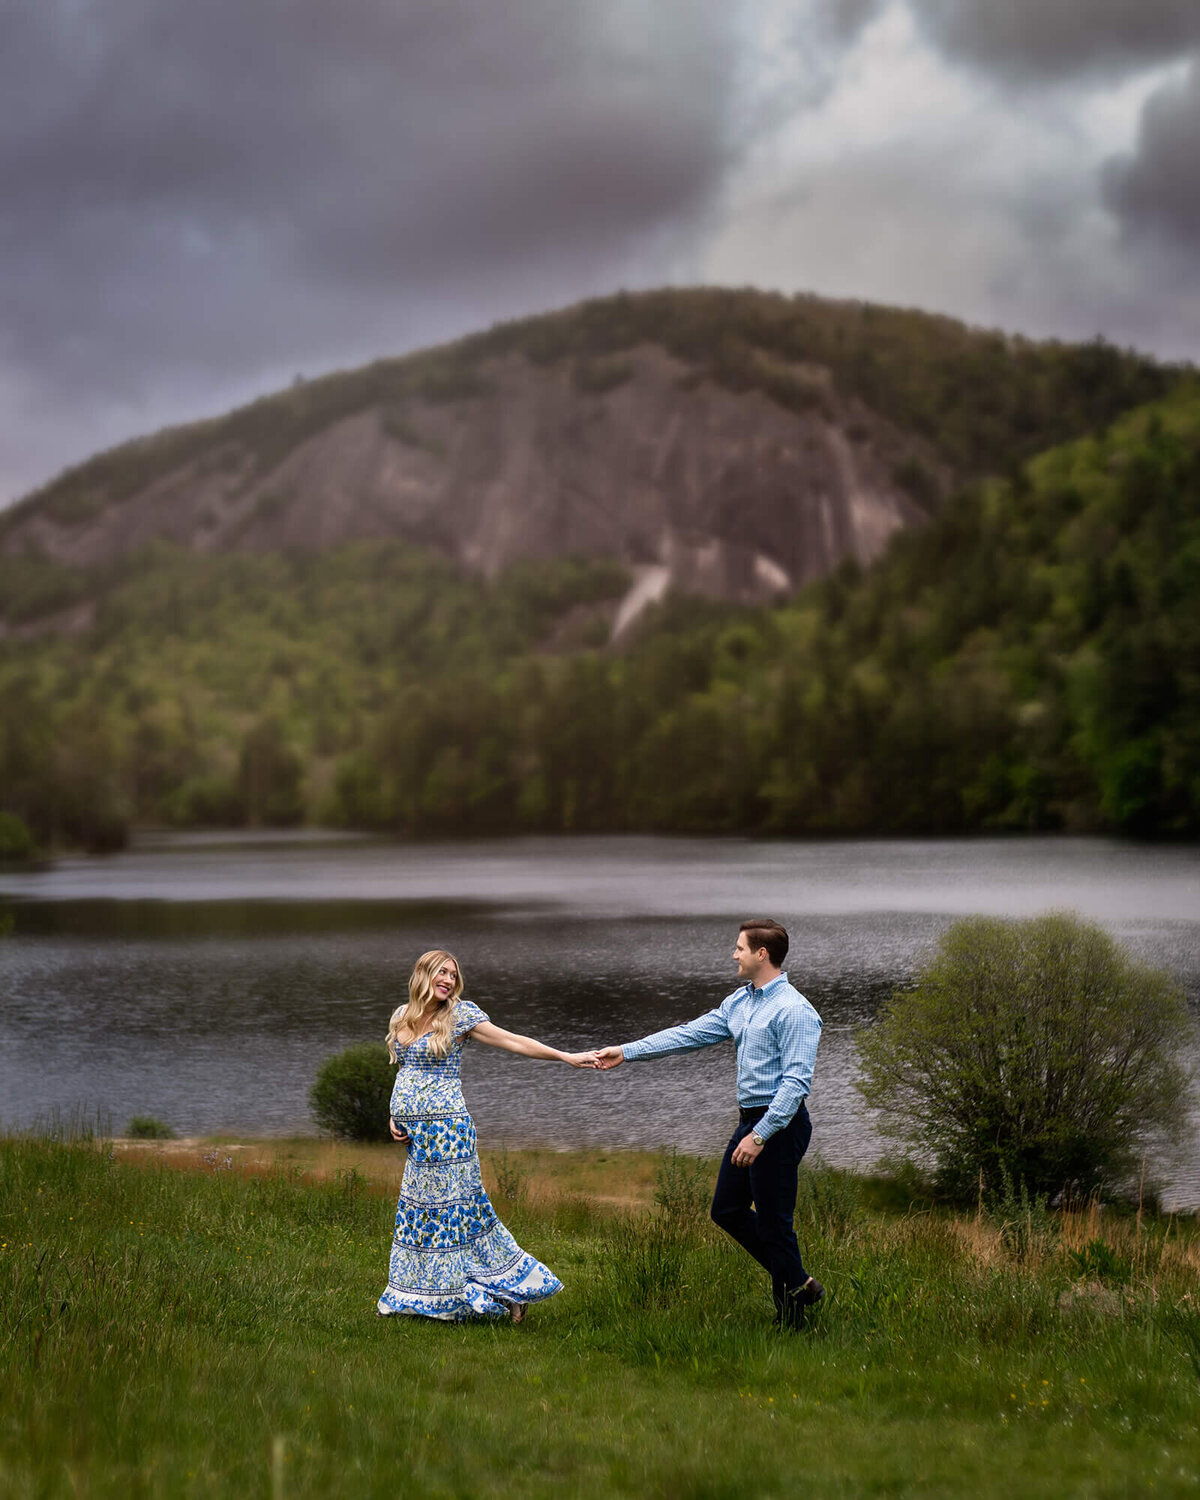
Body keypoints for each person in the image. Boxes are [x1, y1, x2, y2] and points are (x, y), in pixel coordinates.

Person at [596, 919, 824, 1330]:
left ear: (762, 954)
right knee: (727, 1210)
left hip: (779, 1124)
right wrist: (626, 1052)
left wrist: (760, 1135)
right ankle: (797, 1280)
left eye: (739, 948)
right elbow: (687, 1035)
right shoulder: (741, 1002)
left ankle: (793, 1321)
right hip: (751, 1121)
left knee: (774, 1224)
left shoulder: (795, 1011)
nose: (733, 954)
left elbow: (795, 1086)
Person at [377, 948, 598, 1323]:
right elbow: (406, 1075)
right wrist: (393, 1117)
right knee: (420, 1215)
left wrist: (567, 1056)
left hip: (449, 1134)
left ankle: (506, 1292)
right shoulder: (402, 1014)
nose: (448, 980)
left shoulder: (460, 1015)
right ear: (421, 973)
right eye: (441, 972)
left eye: (453, 974)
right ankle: (416, 1296)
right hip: (416, 1138)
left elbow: (513, 1041)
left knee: (456, 1214)